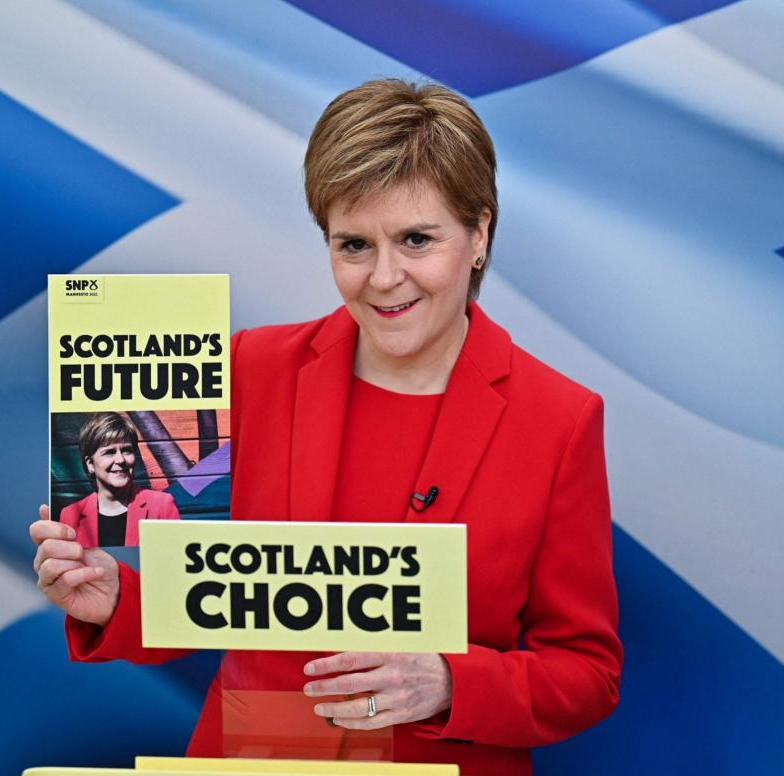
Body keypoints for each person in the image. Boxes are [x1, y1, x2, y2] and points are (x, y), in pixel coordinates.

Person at [31, 79, 622, 775]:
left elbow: (586, 671)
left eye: (416, 239)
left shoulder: (559, 419)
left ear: (479, 235)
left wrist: (449, 683)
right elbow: (209, 598)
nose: (384, 277)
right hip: (255, 758)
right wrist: (115, 599)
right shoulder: (251, 370)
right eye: (354, 245)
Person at [59, 411, 179, 548]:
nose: (121, 459)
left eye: (127, 450)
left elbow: (173, 564)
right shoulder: (70, 515)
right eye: (109, 452)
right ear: (90, 464)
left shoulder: (162, 505)